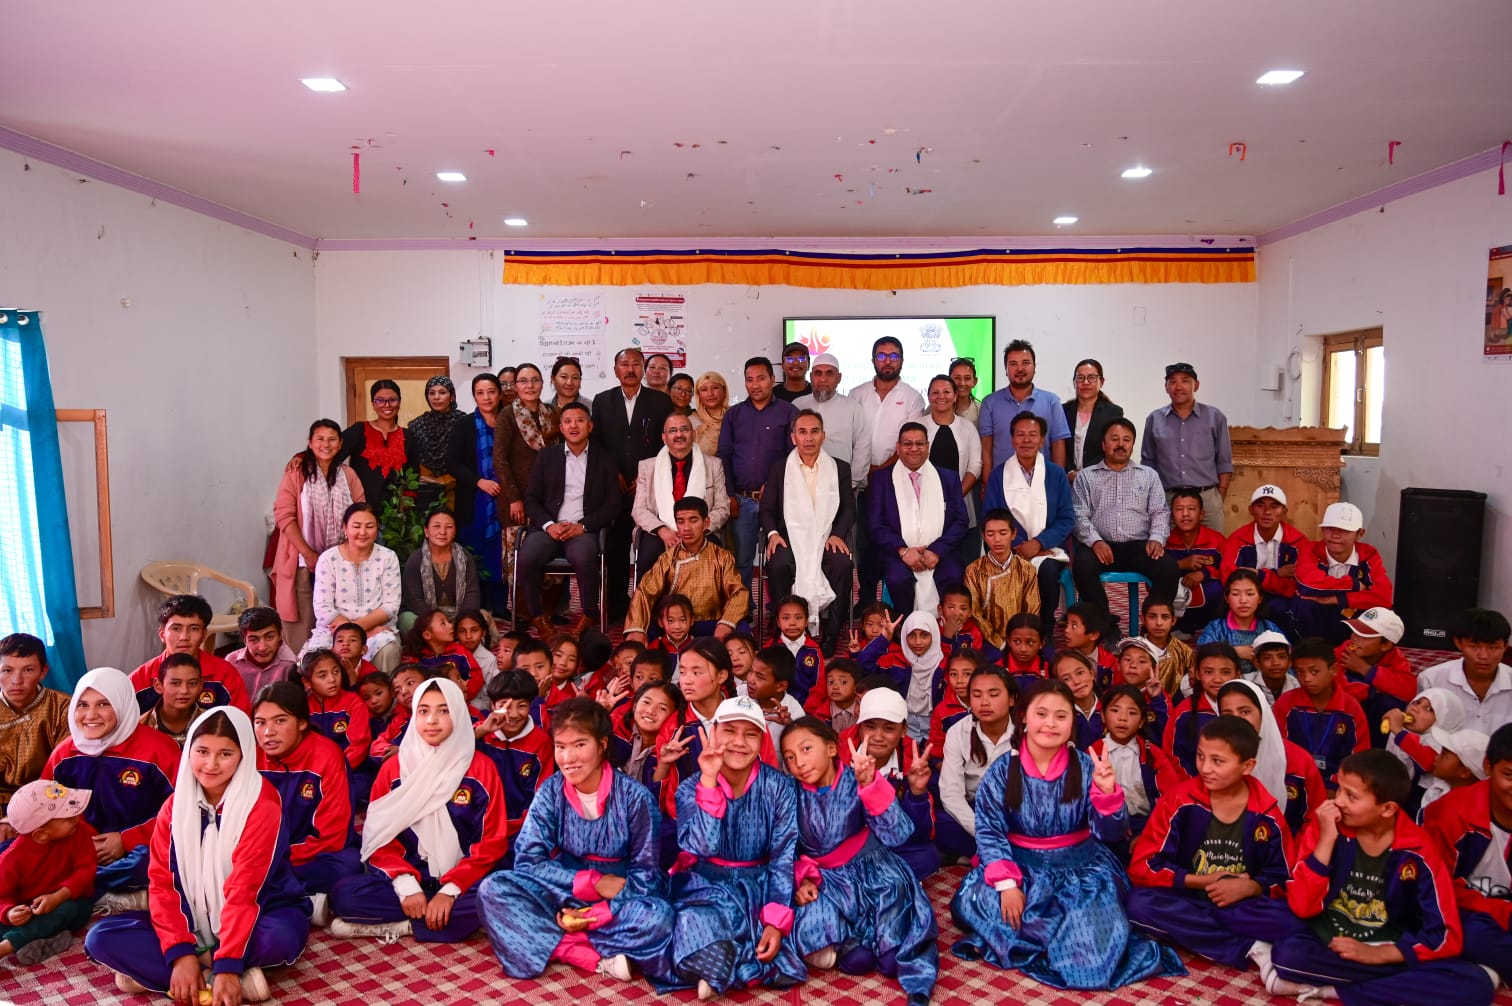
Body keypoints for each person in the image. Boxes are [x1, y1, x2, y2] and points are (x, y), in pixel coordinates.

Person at [949, 679, 1186, 989]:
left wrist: (1108, 794)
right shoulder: (1002, 770)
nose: (1050, 723)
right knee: (973, 902)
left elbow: (1111, 833)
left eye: (1061, 716)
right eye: (1042, 714)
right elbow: (990, 831)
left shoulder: (1087, 766)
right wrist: (1008, 885)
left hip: (1081, 871)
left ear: (1072, 721)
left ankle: (1058, 934)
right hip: (1021, 868)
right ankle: (1056, 931)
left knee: (1091, 945)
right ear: (1024, 717)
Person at [87, 707, 312, 1003]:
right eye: (202, 751)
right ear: (188, 750)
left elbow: (245, 890)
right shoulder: (175, 807)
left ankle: (182, 974)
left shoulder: (261, 805)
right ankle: (207, 974)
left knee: (280, 938)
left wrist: (228, 965)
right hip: (192, 918)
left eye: (225, 754)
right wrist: (181, 953)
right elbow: (162, 884)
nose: (211, 765)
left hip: (262, 910)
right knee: (101, 938)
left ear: (244, 755)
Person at [1261, 751, 1497, 1006]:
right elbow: (1302, 906)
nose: (1338, 801)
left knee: (1475, 986)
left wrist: (1380, 954)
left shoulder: (1417, 850)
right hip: (1328, 941)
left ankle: (1335, 991)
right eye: (1339, 789)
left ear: (1387, 809)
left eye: (1351, 796)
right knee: (1287, 955)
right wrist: (1327, 840)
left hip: (1388, 943)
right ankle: (1395, 988)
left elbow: (1445, 933)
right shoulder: (1326, 827)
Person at [477, 698, 676, 986]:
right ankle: (583, 954)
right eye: (561, 746)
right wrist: (591, 882)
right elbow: (527, 860)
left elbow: (645, 873)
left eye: (580, 745)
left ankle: (553, 936)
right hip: (564, 887)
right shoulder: (551, 792)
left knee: (659, 918)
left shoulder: (635, 798)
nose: (568, 758)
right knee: (493, 890)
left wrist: (595, 914)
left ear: (602, 745)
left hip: (621, 895)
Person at [328, 678, 509, 943]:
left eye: (444, 711)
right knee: (344, 894)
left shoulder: (481, 768)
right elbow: (379, 837)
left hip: (463, 880)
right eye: (423, 711)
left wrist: (451, 890)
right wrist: (406, 886)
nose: (432, 720)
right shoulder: (394, 768)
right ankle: (443, 922)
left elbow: (491, 842)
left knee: (500, 894)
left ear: (458, 714)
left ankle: (404, 927)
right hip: (412, 877)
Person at [782, 717, 939, 1005]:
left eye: (806, 749)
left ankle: (882, 941)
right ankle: (849, 944)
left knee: (893, 963)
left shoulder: (856, 778)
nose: (798, 764)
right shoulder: (789, 794)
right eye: (790, 757)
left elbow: (898, 834)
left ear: (831, 748)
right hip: (827, 881)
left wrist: (871, 786)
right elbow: (782, 846)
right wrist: (799, 876)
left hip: (873, 871)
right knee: (856, 960)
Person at [1126, 716, 1299, 970]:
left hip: (1240, 904)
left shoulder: (1267, 815)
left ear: (1247, 766)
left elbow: (1284, 878)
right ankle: (1250, 947)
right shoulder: (1180, 801)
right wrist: (1201, 881)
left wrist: (1251, 887)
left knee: (1293, 920)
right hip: (1187, 897)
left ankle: (1196, 933)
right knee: (1137, 904)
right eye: (1200, 756)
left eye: (1217, 761)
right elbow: (1143, 866)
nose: (1205, 768)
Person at [666, 696, 805, 997]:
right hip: (705, 886)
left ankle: (720, 965)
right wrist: (709, 780)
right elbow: (701, 846)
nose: (739, 742)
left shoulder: (779, 786)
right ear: (713, 731)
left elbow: (783, 857)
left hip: (759, 883)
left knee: (806, 922)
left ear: (762, 738)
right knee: (690, 922)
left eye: (750, 734)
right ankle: (734, 964)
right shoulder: (691, 787)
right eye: (730, 731)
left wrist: (775, 921)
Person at [45, 668, 181, 909]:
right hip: (81, 849)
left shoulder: (160, 750)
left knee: (149, 862)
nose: (91, 715)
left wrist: (126, 840)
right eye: (83, 705)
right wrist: (82, 840)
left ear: (123, 704)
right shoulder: (65, 753)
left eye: (103, 704)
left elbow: (183, 811)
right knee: (15, 850)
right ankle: (100, 892)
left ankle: (75, 889)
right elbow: (46, 807)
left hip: (138, 850)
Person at [252, 682, 360, 924]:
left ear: (302, 722)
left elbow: (333, 837)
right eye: (260, 722)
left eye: (280, 721)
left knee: (348, 866)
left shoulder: (327, 756)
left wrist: (277, 861)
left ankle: (266, 895)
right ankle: (303, 899)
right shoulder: (248, 756)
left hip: (309, 857)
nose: (268, 732)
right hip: (259, 855)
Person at [517, 402, 621, 639]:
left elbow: (613, 504)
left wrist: (582, 526)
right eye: (568, 421)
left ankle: (589, 614)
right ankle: (537, 616)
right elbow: (531, 499)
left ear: (590, 426)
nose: (574, 425)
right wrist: (549, 525)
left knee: (583, 557)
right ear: (561, 428)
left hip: (583, 529)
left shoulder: (604, 458)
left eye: (580, 420)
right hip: (549, 528)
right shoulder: (547, 456)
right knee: (527, 556)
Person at [1421, 723, 1512, 988]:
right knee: (1471, 935)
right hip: (1462, 908)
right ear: (1487, 767)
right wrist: (1499, 909)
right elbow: (1434, 886)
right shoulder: (1452, 812)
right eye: (1509, 774)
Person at [760, 409, 856, 655]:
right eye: (802, 432)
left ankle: (831, 634)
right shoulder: (780, 467)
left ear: (823, 436)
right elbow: (767, 508)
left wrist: (837, 533)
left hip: (826, 537)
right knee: (779, 562)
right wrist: (772, 534)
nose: (809, 438)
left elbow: (848, 510)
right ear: (794, 437)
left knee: (842, 564)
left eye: (814, 431)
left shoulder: (840, 468)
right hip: (789, 537)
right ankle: (785, 630)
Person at [592, 348, 675, 620]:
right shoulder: (602, 401)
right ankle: (617, 605)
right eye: (624, 364)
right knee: (615, 548)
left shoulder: (660, 401)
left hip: (649, 487)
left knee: (650, 549)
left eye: (636, 364)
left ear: (643, 369)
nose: (630, 369)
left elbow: (666, 443)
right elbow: (598, 443)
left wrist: (645, 478)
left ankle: (649, 604)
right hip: (613, 486)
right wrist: (612, 472)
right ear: (615, 369)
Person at [272, 419, 366, 651]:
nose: (326, 444)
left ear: (341, 443)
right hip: (302, 562)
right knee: (303, 629)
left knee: (339, 628)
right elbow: (284, 516)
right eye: (320, 439)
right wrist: (310, 554)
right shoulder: (296, 473)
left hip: (341, 563)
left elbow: (360, 513)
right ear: (310, 443)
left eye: (332, 439)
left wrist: (344, 553)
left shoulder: (348, 475)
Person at [1070, 417, 1182, 612]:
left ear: (1132, 445)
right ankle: (1105, 621)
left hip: (1139, 547)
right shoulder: (1087, 476)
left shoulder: (1148, 475)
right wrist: (1095, 541)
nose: (1120, 444)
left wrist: (1156, 538)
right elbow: (1079, 515)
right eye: (1114, 439)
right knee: (1082, 567)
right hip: (1101, 545)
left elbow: (1160, 512)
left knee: (1168, 568)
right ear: (1104, 444)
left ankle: (1150, 620)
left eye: (1126, 439)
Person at [982, 413, 1075, 637]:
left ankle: (1044, 632)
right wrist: (1018, 545)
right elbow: (991, 517)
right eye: (1020, 435)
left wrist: (1039, 543)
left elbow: (1067, 518)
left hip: (1047, 549)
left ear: (1042, 439)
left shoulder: (1055, 474)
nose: (1026, 440)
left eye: (1033, 435)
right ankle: (1008, 633)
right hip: (1007, 548)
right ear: (1012, 439)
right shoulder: (999, 474)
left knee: (1048, 572)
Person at [850, 337, 927, 610]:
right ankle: (867, 599)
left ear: (902, 361)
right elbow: (852, 436)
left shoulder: (912, 397)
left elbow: (911, 441)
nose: (887, 361)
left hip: (895, 481)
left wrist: (881, 471)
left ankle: (894, 597)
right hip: (860, 481)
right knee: (863, 542)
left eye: (893, 356)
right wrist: (864, 471)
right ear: (872, 360)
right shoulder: (856, 394)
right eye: (881, 356)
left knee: (890, 538)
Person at [718, 357, 799, 594]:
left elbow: (792, 457)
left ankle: (780, 609)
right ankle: (743, 609)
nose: (755, 385)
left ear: (773, 380)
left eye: (761, 378)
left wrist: (772, 486)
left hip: (778, 502)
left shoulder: (788, 412)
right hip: (742, 500)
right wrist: (730, 496)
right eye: (749, 380)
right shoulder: (734, 414)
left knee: (779, 559)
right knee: (742, 560)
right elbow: (725, 455)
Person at [870, 423, 969, 614]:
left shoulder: (948, 478)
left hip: (940, 552)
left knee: (953, 574)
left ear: (928, 446)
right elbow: (876, 526)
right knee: (897, 578)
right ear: (898, 448)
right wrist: (903, 551)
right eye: (908, 444)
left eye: (919, 444)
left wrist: (936, 551)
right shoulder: (882, 479)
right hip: (898, 552)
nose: (914, 449)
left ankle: (947, 634)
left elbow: (960, 521)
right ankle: (905, 631)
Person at [0, 780, 96, 966]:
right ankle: (42, 939)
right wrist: (10, 912)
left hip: (70, 902)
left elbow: (86, 871)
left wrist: (58, 897)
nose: (77, 817)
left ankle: (7, 946)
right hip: (28, 910)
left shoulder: (80, 832)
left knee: (68, 910)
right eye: (69, 818)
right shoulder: (11, 859)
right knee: (8, 921)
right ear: (41, 834)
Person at [625, 498, 749, 642]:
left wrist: (726, 623)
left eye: (693, 520)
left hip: (712, 624)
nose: (686, 528)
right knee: (640, 633)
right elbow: (644, 592)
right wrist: (636, 628)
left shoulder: (722, 557)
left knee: (741, 629)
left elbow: (738, 592)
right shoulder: (668, 559)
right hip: (676, 625)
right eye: (681, 521)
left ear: (706, 523)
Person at [1217, 679, 1327, 841]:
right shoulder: (1214, 761)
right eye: (1228, 714)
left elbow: (1316, 818)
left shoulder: (1298, 762)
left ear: (1263, 713)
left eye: (1244, 712)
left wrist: (1292, 858)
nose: (1237, 721)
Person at [305, 502, 403, 673]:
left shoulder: (388, 558)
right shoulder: (328, 559)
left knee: (388, 649)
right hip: (334, 631)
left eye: (369, 526)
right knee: (311, 660)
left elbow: (390, 606)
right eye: (356, 526)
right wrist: (352, 634)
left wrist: (361, 630)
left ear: (377, 528)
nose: (362, 532)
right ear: (345, 527)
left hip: (376, 630)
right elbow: (323, 607)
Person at [633, 412, 731, 578]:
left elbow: (722, 506)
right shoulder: (647, 467)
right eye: (673, 431)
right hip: (659, 531)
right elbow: (639, 509)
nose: (679, 434)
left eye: (684, 429)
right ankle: (651, 604)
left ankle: (704, 603)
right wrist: (663, 530)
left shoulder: (713, 465)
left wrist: (697, 529)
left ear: (693, 434)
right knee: (648, 558)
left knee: (712, 559)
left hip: (702, 531)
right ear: (664, 437)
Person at [937, 666, 1017, 863]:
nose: (984, 702)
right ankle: (993, 850)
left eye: (993, 694)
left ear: (1012, 699)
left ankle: (976, 854)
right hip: (975, 809)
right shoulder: (958, 732)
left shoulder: (1027, 731)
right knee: (938, 822)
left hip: (1014, 810)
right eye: (977, 695)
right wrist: (982, 831)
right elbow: (951, 793)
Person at [1140, 362, 1232, 532]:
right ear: (1166, 387)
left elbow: (1224, 462)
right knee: (1167, 553)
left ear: (1196, 385)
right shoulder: (1154, 419)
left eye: (1185, 380)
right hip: (1167, 500)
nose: (1179, 386)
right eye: (1173, 381)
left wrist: (1219, 497)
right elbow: (1148, 464)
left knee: (1214, 552)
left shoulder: (1214, 417)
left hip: (1207, 499)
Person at [1289, 502, 1394, 645]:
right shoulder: (1309, 549)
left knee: (1382, 613)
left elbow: (1384, 598)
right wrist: (1355, 584)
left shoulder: (1368, 554)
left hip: (1349, 614)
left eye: (1344, 530)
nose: (1335, 535)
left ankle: (1355, 654)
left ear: (1360, 534)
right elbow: (1307, 585)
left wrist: (1337, 599)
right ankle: (1313, 653)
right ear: (1323, 530)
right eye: (1330, 528)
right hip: (1317, 618)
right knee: (1305, 604)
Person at [444, 372, 507, 612]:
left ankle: (500, 607)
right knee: (475, 553)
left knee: (502, 554)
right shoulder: (464, 425)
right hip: (474, 500)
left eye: (491, 391)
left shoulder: (508, 421)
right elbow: (453, 462)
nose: (486, 397)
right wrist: (479, 481)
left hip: (504, 499)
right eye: (480, 393)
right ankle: (476, 607)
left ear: (500, 394)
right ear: (474, 396)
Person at [130, 594, 252, 716]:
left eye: (194, 629)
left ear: (204, 635)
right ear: (162, 634)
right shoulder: (138, 680)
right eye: (176, 628)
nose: (184, 637)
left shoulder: (225, 675)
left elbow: (241, 724)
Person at [1273, 638, 1370, 789]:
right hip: (1294, 783)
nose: (1306, 679)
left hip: (1339, 786)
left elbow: (1358, 757)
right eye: (1299, 672)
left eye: (1314, 671)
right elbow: (1279, 751)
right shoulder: (1285, 704)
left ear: (1333, 670)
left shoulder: (1351, 708)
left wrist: (1335, 786)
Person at [0, 633, 71, 827]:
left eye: (28, 670)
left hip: (47, 800)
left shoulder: (64, 707)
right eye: (7, 670)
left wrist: (24, 813)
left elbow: (65, 770)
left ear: (43, 672)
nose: (16, 680)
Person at [493, 361, 560, 550]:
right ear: (515, 386)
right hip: (518, 496)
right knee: (520, 553)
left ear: (543, 383)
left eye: (535, 380)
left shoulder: (553, 413)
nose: (529, 386)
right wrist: (514, 498)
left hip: (548, 495)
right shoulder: (507, 415)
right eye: (523, 381)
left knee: (547, 549)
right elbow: (500, 460)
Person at [1415, 608, 1512, 736]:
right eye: (1474, 646)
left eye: (1493, 647)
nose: (1483, 656)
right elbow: (1419, 731)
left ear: (1505, 646)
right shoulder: (1432, 679)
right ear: (1458, 643)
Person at [978, 340, 1071, 472]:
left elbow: (1058, 445)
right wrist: (987, 483)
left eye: (1026, 363)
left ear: (1034, 367)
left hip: (1042, 482)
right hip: (1002, 482)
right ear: (1006, 369)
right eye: (1013, 364)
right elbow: (986, 449)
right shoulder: (989, 403)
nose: (1020, 368)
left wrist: (1058, 482)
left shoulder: (1052, 401)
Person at [1221, 484, 1308, 622]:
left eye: (1274, 506)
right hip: (1245, 595)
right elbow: (1229, 578)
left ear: (1284, 511)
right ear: (1251, 510)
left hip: (1281, 597)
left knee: (1288, 607)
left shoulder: (1297, 542)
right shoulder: (1237, 539)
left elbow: (1297, 585)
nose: (1267, 512)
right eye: (1260, 506)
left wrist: (1258, 574)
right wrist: (1276, 574)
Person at [922, 374, 983, 566]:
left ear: (955, 395)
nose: (941, 396)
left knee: (963, 563)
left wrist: (956, 494)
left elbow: (975, 465)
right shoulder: (918, 425)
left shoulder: (967, 428)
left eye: (947, 392)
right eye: (935, 392)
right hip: (924, 504)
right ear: (929, 396)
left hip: (961, 502)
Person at [794, 353, 870, 497]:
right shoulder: (797, 405)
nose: (823, 379)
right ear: (811, 377)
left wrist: (851, 482)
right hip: (802, 485)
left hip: (842, 486)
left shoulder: (853, 407)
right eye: (818, 373)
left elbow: (862, 447)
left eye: (829, 373)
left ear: (839, 378)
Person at [399, 509, 481, 631]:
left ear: (454, 533)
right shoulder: (416, 560)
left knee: (480, 621)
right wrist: (438, 623)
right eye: (436, 526)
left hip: (459, 616)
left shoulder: (464, 557)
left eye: (449, 527)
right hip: (426, 617)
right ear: (426, 531)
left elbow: (472, 593)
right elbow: (413, 599)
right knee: (407, 620)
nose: (442, 532)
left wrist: (462, 621)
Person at [339, 379, 410, 509]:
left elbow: (412, 474)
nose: (386, 405)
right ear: (373, 404)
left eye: (392, 400)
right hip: (361, 509)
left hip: (396, 515)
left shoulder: (409, 436)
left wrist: (406, 503)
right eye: (380, 400)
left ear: (399, 402)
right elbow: (331, 451)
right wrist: (301, 456)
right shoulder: (359, 430)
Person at [1196, 570, 1284, 675]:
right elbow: (1202, 658)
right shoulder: (1215, 628)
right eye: (1236, 594)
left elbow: (1284, 661)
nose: (1243, 600)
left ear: (1260, 598)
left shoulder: (1269, 629)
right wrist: (1236, 651)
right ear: (1226, 598)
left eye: (1250, 594)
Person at [1166, 488, 1227, 633]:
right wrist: (1181, 564)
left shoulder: (1216, 540)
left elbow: (1230, 570)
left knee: (1219, 589)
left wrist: (1204, 573)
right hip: (1177, 601)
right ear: (1172, 516)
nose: (1185, 514)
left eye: (1191, 509)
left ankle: (1214, 631)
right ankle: (1175, 628)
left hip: (1208, 602)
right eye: (1179, 509)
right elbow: (1153, 570)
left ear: (1201, 514)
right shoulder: (1165, 541)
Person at [406, 375, 465, 515]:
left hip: (457, 487)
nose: (436, 397)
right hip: (425, 490)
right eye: (431, 393)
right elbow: (411, 459)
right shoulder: (416, 425)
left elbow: (469, 458)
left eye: (442, 392)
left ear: (452, 397)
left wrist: (443, 480)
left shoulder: (464, 422)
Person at [1063, 358, 1124, 478]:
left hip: (1100, 478)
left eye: (1091, 377)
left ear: (1101, 381)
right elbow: (1058, 445)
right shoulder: (1063, 410)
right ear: (1074, 382)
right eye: (1080, 378)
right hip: (1067, 479)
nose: (1085, 382)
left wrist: (1084, 474)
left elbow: (1111, 448)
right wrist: (1069, 471)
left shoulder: (1113, 412)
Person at [225, 606, 297, 700]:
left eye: (269, 637)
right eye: (254, 640)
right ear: (244, 640)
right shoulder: (231, 663)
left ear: (280, 636)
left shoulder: (291, 666)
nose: (262, 647)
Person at [138, 654, 201, 748]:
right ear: (158, 685)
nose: (184, 690)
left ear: (201, 685)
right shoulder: (140, 726)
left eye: (192, 683)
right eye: (176, 683)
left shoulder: (212, 724)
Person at [690, 371, 730, 459]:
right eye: (704, 389)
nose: (710, 394)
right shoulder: (690, 421)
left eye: (715, 388)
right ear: (698, 395)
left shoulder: (735, 417)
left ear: (724, 390)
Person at [949, 357, 980, 424]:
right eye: (957, 378)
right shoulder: (936, 407)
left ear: (975, 382)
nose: (962, 383)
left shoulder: (981, 411)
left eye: (967, 378)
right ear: (949, 381)